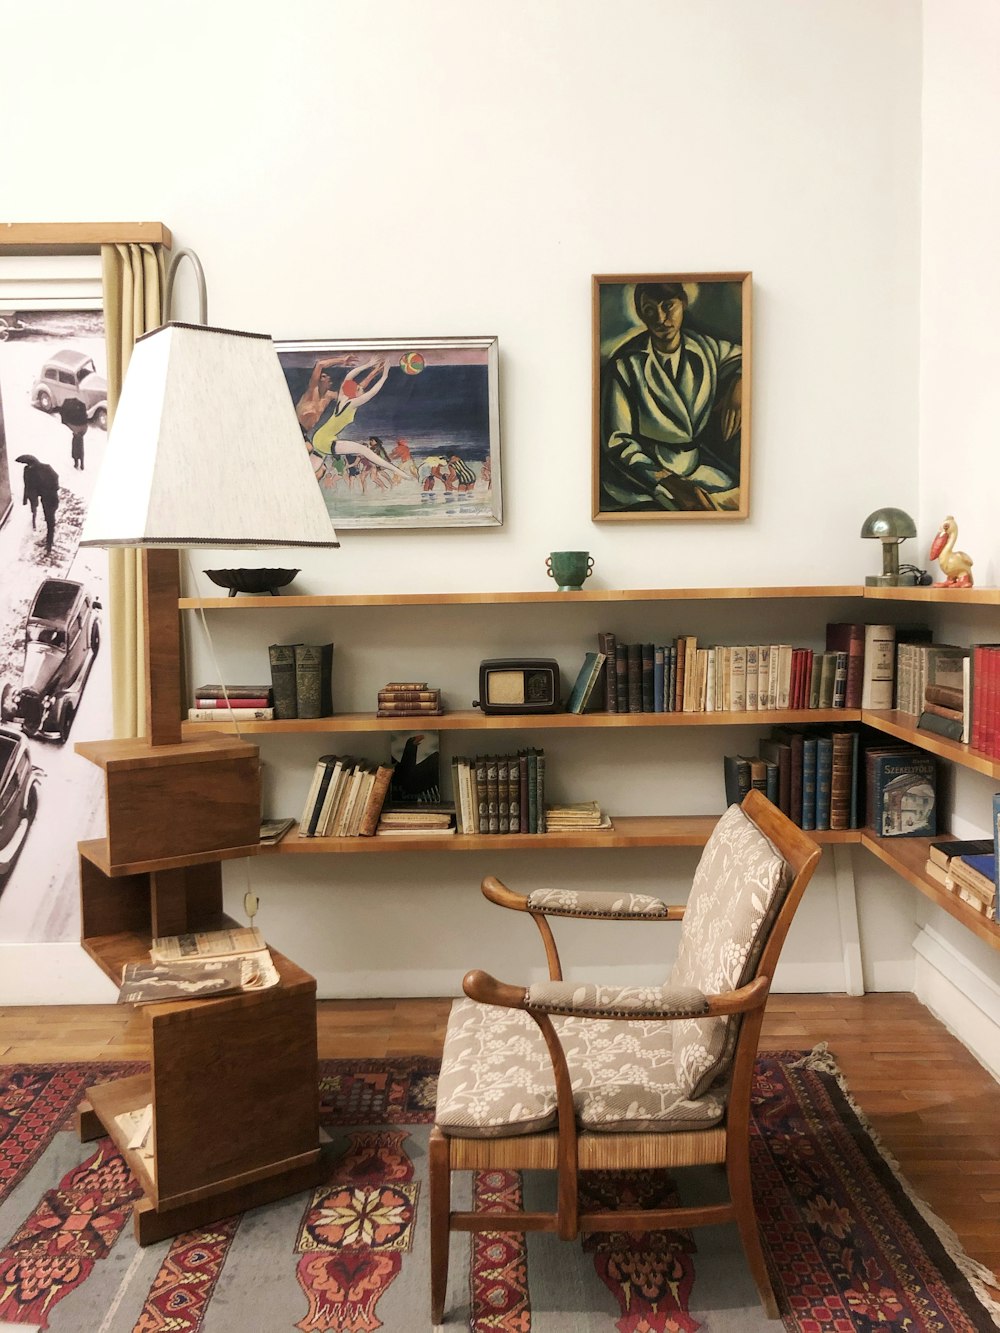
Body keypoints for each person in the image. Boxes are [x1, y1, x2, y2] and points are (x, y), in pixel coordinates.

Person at [599, 281, 742, 513]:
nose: (661, 318)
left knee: (734, 502)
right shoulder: (625, 365)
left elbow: (742, 356)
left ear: (683, 304)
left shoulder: (704, 347)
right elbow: (619, 443)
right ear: (640, 315)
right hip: (643, 477)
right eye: (649, 310)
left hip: (695, 468)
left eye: (668, 306)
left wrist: (739, 385)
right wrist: (667, 481)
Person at [16, 454, 60, 553]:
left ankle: (49, 542)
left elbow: (55, 478)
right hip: (41, 498)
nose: (28, 466)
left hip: (50, 498)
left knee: (50, 520)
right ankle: (36, 525)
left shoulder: (46, 468)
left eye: (30, 464)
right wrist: (26, 498)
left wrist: (52, 489)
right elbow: (27, 485)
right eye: (27, 464)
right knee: (40, 514)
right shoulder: (28, 471)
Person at [58, 396, 88, 470]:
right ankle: (81, 463)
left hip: (75, 428)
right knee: (80, 445)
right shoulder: (81, 406)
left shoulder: (67, 406)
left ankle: (76, 462)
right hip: (83, 427)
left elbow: (64, 416)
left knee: (75, 445)